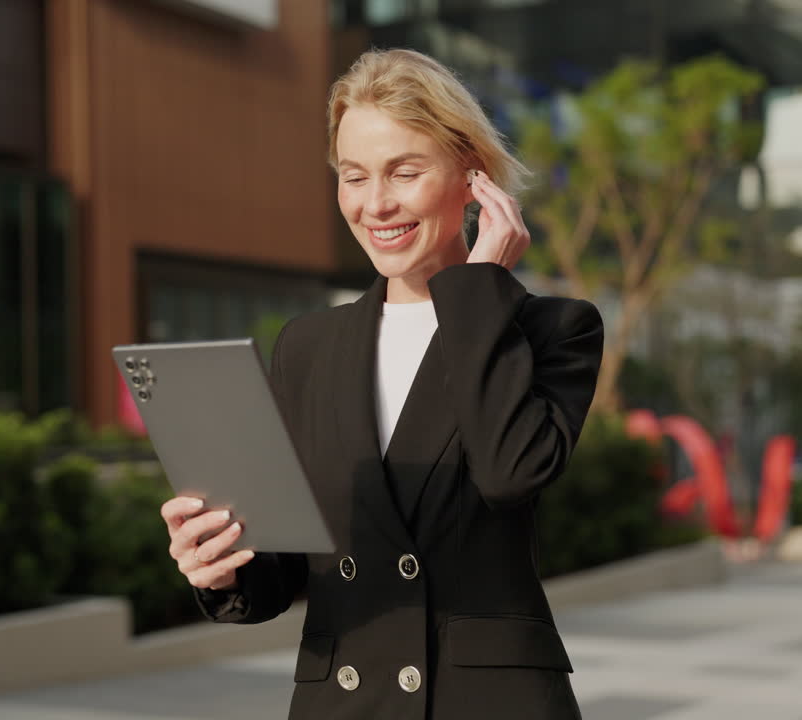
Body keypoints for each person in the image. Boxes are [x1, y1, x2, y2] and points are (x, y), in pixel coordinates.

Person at [159, 48, 603, 719]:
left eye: (405, 172)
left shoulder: (553, 330)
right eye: (354, 176)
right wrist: (223, 567)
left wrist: (479, 293)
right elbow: (287, 565)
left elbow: (509, 473)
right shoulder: (308, 347)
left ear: (472, 174)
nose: (375, 204)